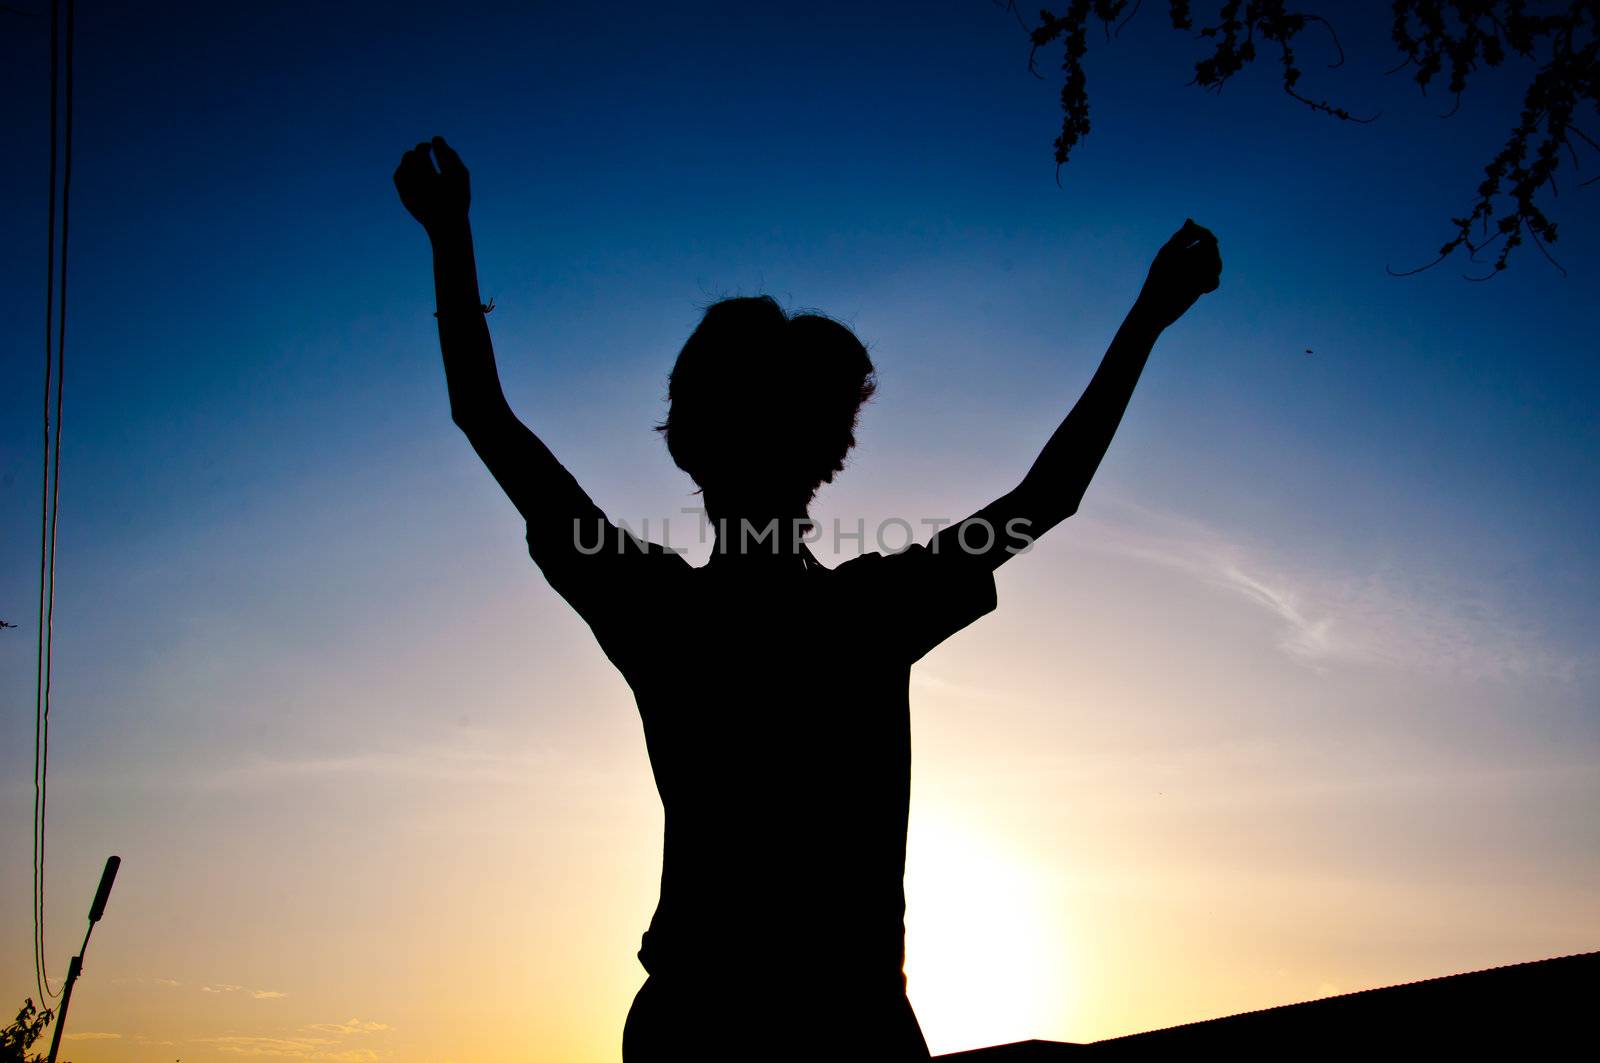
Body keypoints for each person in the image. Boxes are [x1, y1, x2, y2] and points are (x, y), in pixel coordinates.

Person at [395, 135, 1221, 1061]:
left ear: (686, 445)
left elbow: (484, 416)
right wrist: (1148, 317)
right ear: (829, 452)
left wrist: (449, 235)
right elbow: (1045, 499)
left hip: (710, 1020)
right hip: (843, 1020)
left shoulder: (654, 604)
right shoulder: (870, 609)